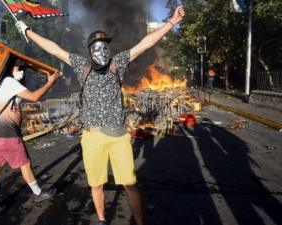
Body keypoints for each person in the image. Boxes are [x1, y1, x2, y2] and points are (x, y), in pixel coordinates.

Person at [15, 5, 185, 225]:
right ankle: (102, 220)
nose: (102, 50)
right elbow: (54, 49)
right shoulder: (81, 65)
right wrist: (28, 32)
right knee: (96, 184)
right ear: (89, 49)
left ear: (109, 48)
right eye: (97, 46)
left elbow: (145, 43)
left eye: (105, 45)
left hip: (118, 137)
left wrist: (172, 22)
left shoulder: (118, 63)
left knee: (130, 184)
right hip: (92, 136)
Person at [0, 60, 59, 217]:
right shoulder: (9, 82)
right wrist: (50, 83)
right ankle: (37, 193)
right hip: (8, 134)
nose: (21, 70)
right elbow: (35, 96)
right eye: (18, 67)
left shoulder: (2, 82)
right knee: (25, 164)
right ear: (8, 68)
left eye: (22, 68)